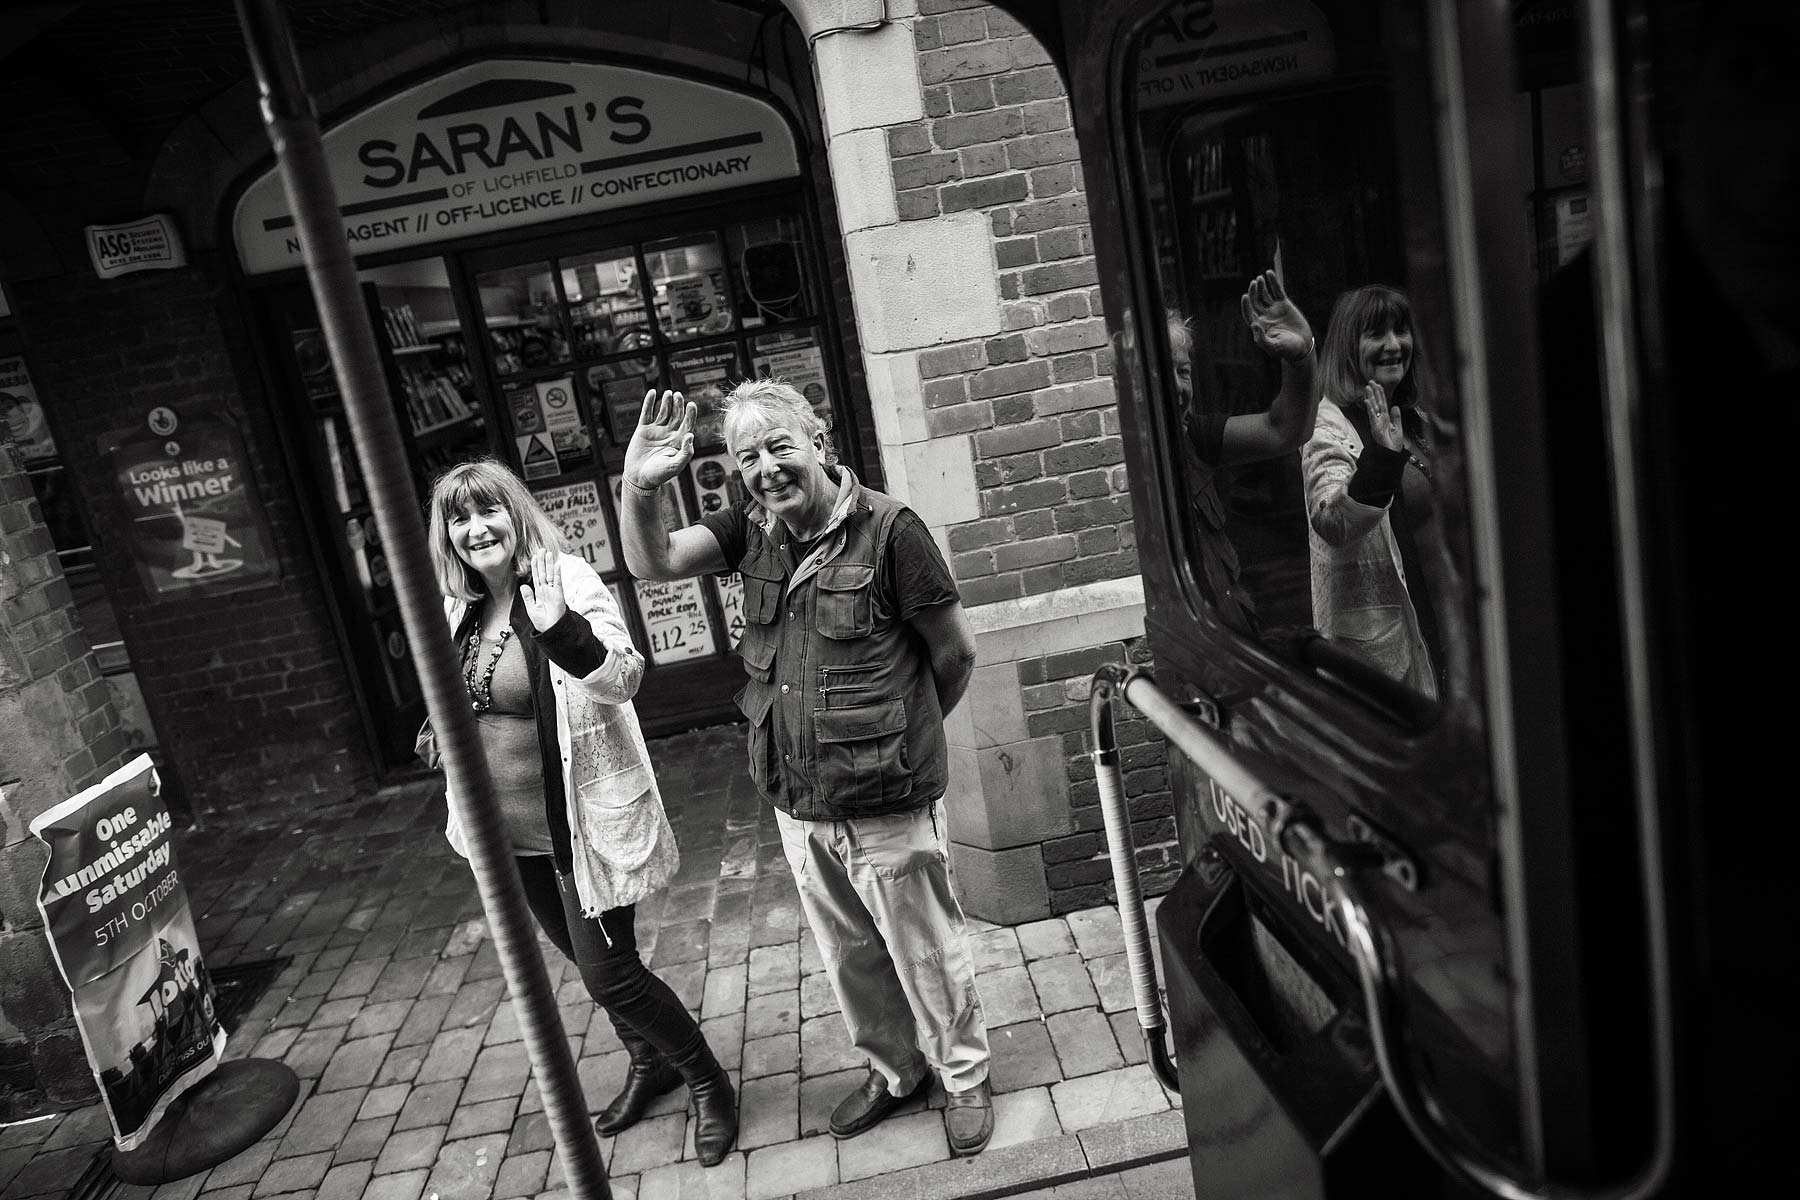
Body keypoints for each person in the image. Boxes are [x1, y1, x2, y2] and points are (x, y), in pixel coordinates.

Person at [617, 381, 994, 1156]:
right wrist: (640, 486)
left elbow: (954, 655)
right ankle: (898, 1073)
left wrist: (904, 741)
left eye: (778, 445)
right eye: (745, 456)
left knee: (925, 950)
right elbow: (653, 562)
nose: (764, 468)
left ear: (819, 441)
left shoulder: (892, 532)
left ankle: (963, 1076)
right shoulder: (751, 533)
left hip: (887, 798)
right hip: (798, 802)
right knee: (851, 955)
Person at [424, 459, 737, 1166]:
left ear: (515, 512)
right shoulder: (458, 606)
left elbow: (625, 677)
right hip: (508, 836)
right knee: (583, 961)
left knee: (610, 974)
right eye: (460, 519)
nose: (477, 529)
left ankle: (706, 1080)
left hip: (577, 828)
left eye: (488, 511)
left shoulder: (565, 580)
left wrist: (561, 629)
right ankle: (647, 1061)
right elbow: (468, 698)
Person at [1301, 285, 1443, 697]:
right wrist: (1381, 457)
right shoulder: (1326, 428)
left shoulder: (1420, 419)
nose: (1394, 345)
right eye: (1376, 334)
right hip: (1385, 656)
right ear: (1348, 346)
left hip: (1449, 623)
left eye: (1401, 330)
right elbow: (1331, 521)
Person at [1166, 267, 1318, 633]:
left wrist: (1301, 356)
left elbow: (1284, 430)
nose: (1179, 388)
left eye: (1183, 371)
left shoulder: (1194, 437)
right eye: (1163, 373)